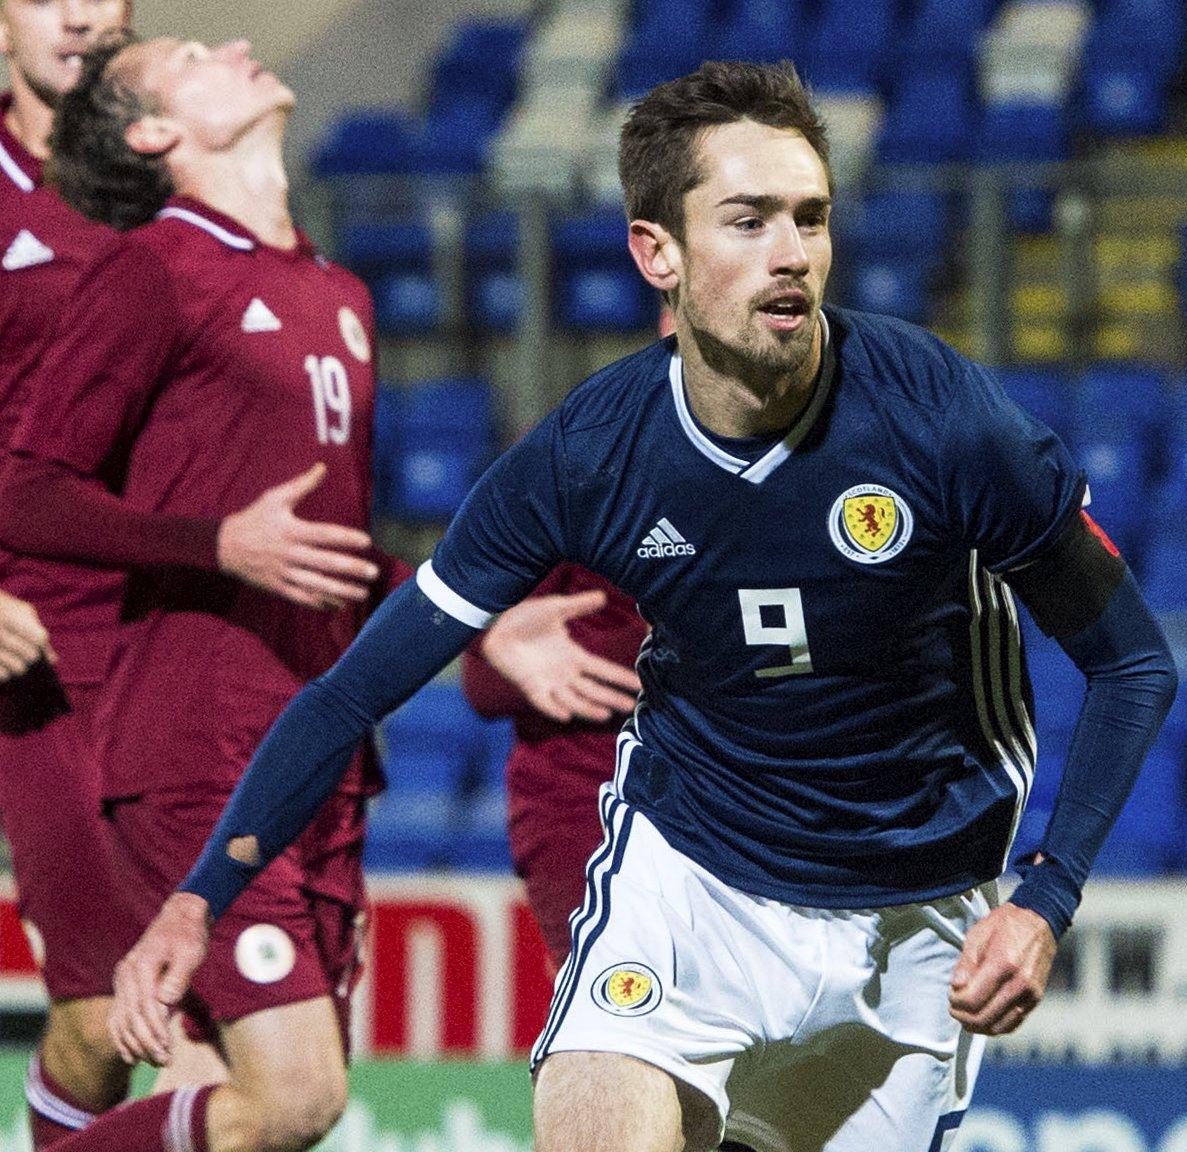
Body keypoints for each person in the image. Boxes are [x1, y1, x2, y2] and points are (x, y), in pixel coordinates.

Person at [112, 59, 1178, 1152]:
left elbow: (1132, 663)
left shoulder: (943, 420)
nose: (791, 255)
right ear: (655, 253)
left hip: (917, 917)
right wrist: (200, 900)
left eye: (810, 218)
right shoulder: (589, 455)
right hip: (693, 881)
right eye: (748, 220)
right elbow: (350, 695)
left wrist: (1045, 898)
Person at [0, 35, 396, 1152]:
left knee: (272, 1114)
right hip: (198, 747)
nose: (231, 42)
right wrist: (212, 543)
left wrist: (481, 618)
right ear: (151, 134)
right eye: (188, 55)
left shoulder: (339, 293)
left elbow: (337, 548)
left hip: (318, 751)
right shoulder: (155, 269)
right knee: (294, 1095)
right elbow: (27, 490)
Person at [1, 3, 176, 1145]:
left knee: (135, 1012)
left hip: (155, 653)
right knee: (117, 1001)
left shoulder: (184, 181)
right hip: (29, 656)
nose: (80, 11)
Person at [461, 563, 644, 970]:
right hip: (588, 793)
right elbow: (487, 681)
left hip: (743, 779)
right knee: (609, 1003)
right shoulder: (555, 502)